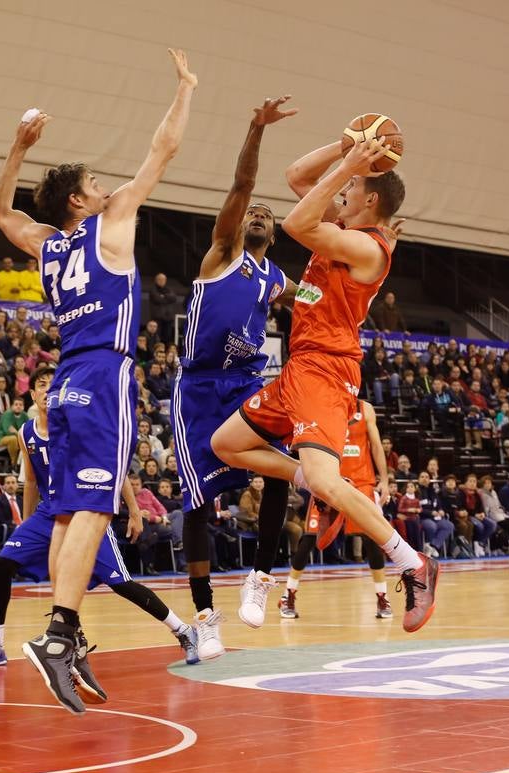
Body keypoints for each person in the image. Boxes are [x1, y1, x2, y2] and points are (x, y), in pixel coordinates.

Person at [0, 49, 197, 714]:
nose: (109, 186)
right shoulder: (110, 224)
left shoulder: (48, 245)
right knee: (96, 507)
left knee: (71, 511)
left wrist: (17, 149)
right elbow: (162, 149)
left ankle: (66, 632)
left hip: (67, 377)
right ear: (80, 199)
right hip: (105, 372)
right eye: (97, 182)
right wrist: (186, 90)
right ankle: (58, 631)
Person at [209, 132, 438, 633]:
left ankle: (412, 563)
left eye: (352, 186)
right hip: (300, 367)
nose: (343, 191)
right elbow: (297, 178)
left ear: (370, 200)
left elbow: (295, 222)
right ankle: (309, 481)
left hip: (327, 371)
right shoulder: (340, 224)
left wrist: (356, 163)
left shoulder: (366, 247)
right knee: (226, 444)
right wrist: (344, 148)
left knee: (330, 480)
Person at [0, 367, 199, 670]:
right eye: (41, 385)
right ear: (33, 394)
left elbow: (114, 469)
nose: (47, 390)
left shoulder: (78, 426)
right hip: (48, 513)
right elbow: (34, 482)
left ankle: (184, 631)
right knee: (3, 564)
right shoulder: (26, 433)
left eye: (54, 385)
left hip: (87, 512)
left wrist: (132, 510)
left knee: (121, 583)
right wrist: (25, 522)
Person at [172, 96, 296, 661]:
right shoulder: (222, 253)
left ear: (275, 231)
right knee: (196, 505)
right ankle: (205, 616)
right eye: (253, 211)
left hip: (246, 383)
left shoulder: (277, 278)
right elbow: (243, 184)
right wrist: (256, 128)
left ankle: (261, 578)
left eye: (268, 213)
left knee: (280, 470)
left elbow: (319, 300)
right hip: (199, 388)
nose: (259, 213)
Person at [281, 401, 391, 618]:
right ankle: (288, 594)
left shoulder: (365, 409)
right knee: (309, 538)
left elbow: (376, 446)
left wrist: (385, 480)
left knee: (373, 538)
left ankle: (382, 597)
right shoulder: (323, 406)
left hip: (361, 482)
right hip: (329, 481)